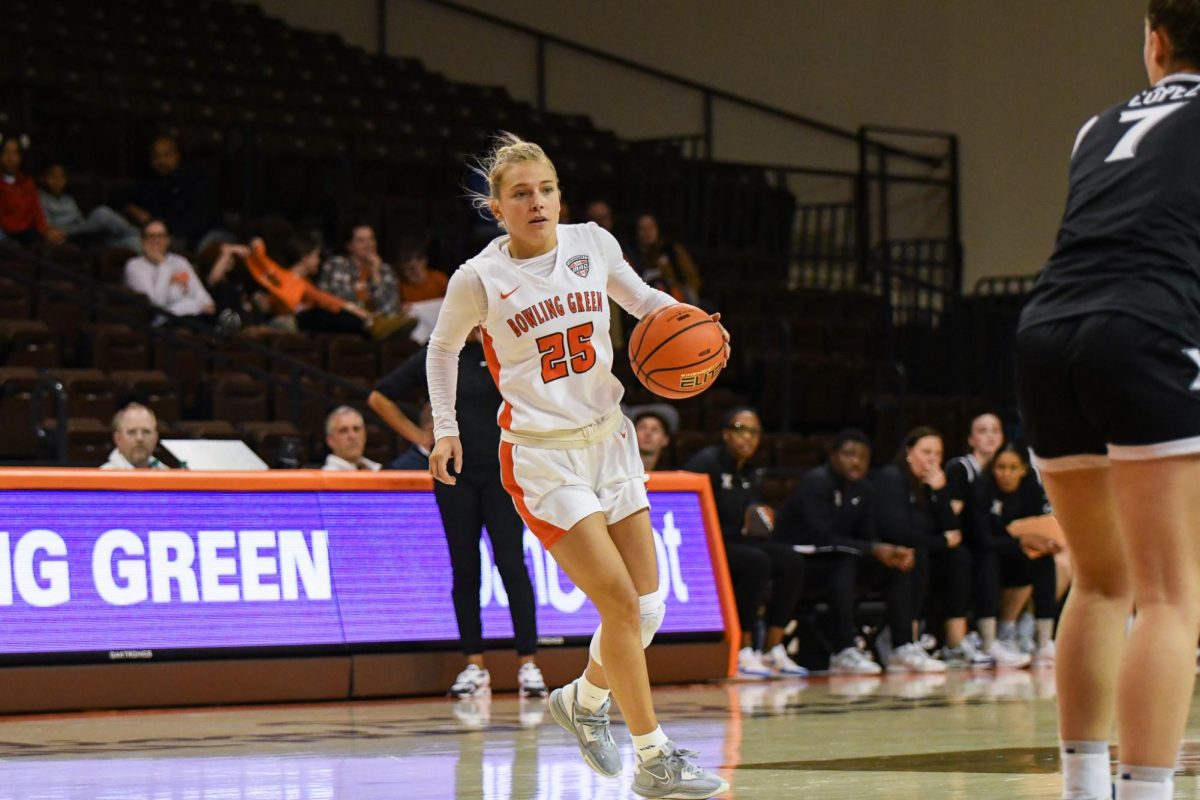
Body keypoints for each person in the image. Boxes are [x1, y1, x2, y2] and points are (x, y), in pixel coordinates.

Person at [427, 133, 730, 797]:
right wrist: (445, 430)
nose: (536, 203)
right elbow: (442, 351)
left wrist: (696, 327)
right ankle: (653, 758)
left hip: (609, 441)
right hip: (542, 457)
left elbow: (646, 302)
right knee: (619, 601)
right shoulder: (479, 279)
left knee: (646, 610)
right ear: (496, 207)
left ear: (559, 196)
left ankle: (584, 701)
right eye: (520, 194)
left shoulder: (593, 243)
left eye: (545, 190)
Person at [1014, 6, 1200, 797]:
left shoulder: (1097, 125)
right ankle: (1148, 790)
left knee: (1097, 581)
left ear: (1156, 43)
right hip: (1146, 328)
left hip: (1045, 331)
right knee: (1169, 596)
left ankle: (1083, 787)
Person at [368, 328, 546, 699]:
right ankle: (474, 666)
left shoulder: (509, 349)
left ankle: (529, 665)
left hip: (502, 475)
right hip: (454, 476)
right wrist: (420, 437)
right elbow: (379, 396)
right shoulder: (440, 355)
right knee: (465, 568)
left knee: (512, 564)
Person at [775, 429, 922, 675]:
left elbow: (866, 537)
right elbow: (821, 538)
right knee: (842, 561)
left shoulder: (864, 489)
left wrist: (888, 552)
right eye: (849, 454)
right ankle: (844, 649)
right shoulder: (815, 482)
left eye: (862, 457)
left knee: (896, 565)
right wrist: (873, 549)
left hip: (842, 559)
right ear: (833, 455)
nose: (856, 461)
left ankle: (902, 646)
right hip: (802, 562)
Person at [683, 408, 809, 680]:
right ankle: (743, 648)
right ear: (726, 434)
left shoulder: (751, 471)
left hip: (738, 541)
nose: (748, 437)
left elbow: (749, 518)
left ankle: (773, 647)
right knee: (756, 562)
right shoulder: (706, 463)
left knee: (790, 560)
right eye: (741, 429)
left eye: (754, 432)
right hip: (704, 545)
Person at [872, 427, 990, 669]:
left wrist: (940, 491)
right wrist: (941, 542)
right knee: (915, 554)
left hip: (924, 556)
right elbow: (896, 531)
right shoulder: (891, 478)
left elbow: (952, 529)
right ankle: (904, 643)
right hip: (883, 559)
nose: (933, 459)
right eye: (926, 452)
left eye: (938, 453)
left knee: (959, 556)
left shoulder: (930, 485)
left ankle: (954, 644)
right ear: (908, 452)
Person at [970, 444, 1060, 668]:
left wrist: (1047, 542)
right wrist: (1020, 541)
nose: (1006, 473)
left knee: (1045, 560)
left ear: (1023, 469)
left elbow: (1041, 524)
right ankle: (989, 642)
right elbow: (982, 539)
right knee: (987, 559)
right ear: (993, 468)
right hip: (987, 557)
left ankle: (1043, 641)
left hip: (1016, 557)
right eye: (1001, 467)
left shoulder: (1031, 488)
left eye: (1012, 468)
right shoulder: (982, 487)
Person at [120, 135, 224, 251]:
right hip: (152, 233)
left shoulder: (195, 179)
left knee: (134, 242)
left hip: (186, 236)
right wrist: (132, 209)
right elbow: (123, 196)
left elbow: (196, 220)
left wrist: (157, 223)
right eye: (156, 157)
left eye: (166, 155)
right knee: (103, 216)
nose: (161, 161)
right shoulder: (149, 180)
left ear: (177, 155)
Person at [124, 220, 215, 320]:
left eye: (160, 236)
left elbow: (203, 296)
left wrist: (205, 304)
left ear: (168, 240)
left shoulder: (180, 261)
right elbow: (156, 305)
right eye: (150, 236)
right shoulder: (135, 266)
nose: (156, 241)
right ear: (142, 241)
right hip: (165, 323)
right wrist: (163, 265)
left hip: (194, 315)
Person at [38, 163, 141, 251]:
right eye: (53, 176)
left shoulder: (68, 199)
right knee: (101, 213)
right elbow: (45, 225)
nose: (58, 181)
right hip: (64, 233)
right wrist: (52, 232)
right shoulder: (40, 198)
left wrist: (88, 230)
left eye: (62, 177)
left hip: (81, 233)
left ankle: (144, 237)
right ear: (44, 178)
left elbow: (80, 221)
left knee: (134, 242)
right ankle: (147, 234)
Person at [318, 224, 401, 317]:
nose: (369, 245)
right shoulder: (336, 264)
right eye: (361, 241)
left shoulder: (385, 270)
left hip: (377, 325)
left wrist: (375, 273)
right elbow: (330, 300)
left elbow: (390, 309)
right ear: (349, 246)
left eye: (371, 239)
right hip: (343, 323)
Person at [0, 134, 63, 246]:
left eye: (15, 153)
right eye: (6, 152)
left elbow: (37, 213)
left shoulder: (27, 183)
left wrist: (47, 231)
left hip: (26, 233)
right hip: (5, 232)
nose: (10, 158)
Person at [630, 213, 702, 306]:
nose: (647, 232)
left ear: (657, 229)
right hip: (645, 301)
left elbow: (692, 278)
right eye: (643, 229)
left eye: (650, 228)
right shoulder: (631, 254)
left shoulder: (672, 251)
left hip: (676, 298)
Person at [100, 403, 168, 470]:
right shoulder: (101, 477)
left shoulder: (168, 475)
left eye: (146, 432)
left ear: (155, 437)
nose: (140, 438)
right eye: (132, 432)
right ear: (118, 438)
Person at [321, 406, 380, 471]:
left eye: (356, 429)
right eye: (343, 430)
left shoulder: (379, 471)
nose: (352, 436)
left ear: (365, 435)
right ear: (330, 440)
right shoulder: (325, 478)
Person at [629, 403, 678, 471]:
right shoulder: (618, 473)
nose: (648, 433)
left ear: (665, 439)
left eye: (655, 429)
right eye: (642, 427)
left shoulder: (673, 474)